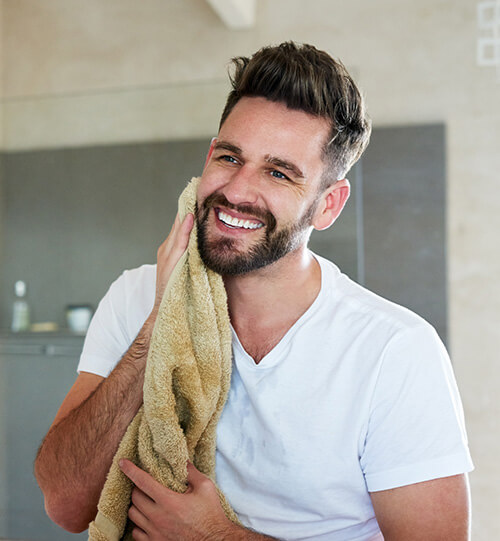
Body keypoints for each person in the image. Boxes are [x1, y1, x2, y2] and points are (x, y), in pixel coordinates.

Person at [34, 42, 473, 540]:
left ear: (328, 205)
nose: (238, 190)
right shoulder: (137, 295)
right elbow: (66, 505)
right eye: (229, 157)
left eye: (279, 172)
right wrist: (158, 328)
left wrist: (218, 537)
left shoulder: (394, 350)